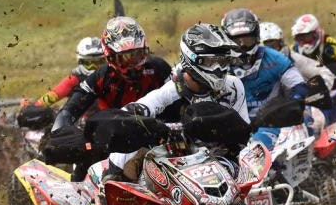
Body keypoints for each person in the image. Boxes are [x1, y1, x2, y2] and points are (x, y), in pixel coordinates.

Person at [105, 24, 247, 182]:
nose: (219, 68)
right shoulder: (171, 91)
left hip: (217, 158)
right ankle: (114, 187)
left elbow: (244, 137)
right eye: (211, 61)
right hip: (173, 159)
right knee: (126, 137)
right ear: (192, 58)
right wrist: (146, 124)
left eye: (223, 61)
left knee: (247, 160)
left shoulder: (234, 86)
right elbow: (132, 110)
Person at [52, 17, 172, 130]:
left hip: (159, 131)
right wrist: (60, 132)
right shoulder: (101, 76)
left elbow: (183, 99)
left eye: (137, 55)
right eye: (124, 58)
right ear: (110, 57)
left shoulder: (158, 67)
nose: (132, 64)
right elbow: (69, 110)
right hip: (114, 135)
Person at [220, 7, 310, 118]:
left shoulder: (275, 57)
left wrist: (295, 102)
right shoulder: (218, 65)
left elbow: (299, 85)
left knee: (307, 117)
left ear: (256, 36)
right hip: (236, 124)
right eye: (236, 42)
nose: (242, 46)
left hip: (274, 119)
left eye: (247, 40)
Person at [34, 37, 104, 107]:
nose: (94, 67)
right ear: (80, 61)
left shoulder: (112, 76)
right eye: (89, 63)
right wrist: (36, 106)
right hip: (82, 116)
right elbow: (54, 94)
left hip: (111, 115)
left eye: (100, 62)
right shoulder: (74, 79)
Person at [291, 13, 336, 86]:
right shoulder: (294, 50)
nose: (302, 41)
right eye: (299, 37)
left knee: (334, 67)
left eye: (306, 36)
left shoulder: (329, 43)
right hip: (311, 85)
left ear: (315, 33)